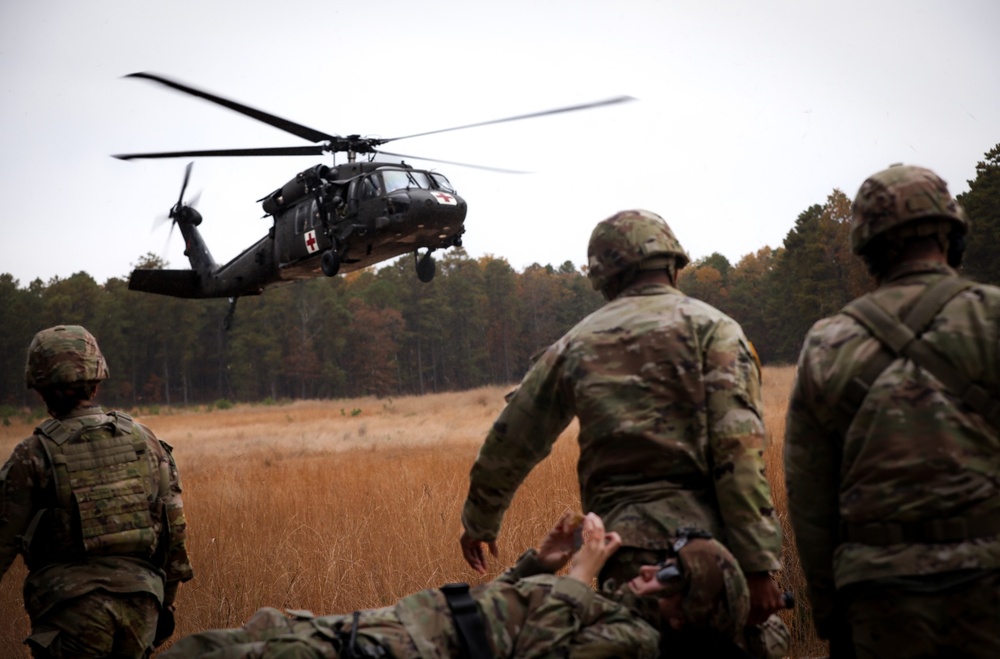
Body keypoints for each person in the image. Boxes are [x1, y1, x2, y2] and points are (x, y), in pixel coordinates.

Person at [458, 210, 784, 627]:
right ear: (672, 264)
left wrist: (479, 522)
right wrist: (757, 565)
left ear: (605, 278)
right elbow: (739, 452)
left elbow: (513, 440)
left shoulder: (575, 344)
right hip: (716, 555)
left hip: (627, 554)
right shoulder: (716, 330)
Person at [784, 164, 1000, 658]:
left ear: (867, 250)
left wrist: (831, 614)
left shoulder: (827, 341)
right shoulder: (992, 316)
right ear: (952, 236)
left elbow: (809, 496)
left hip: (878, 596)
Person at [161, 512, 755, 658]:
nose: (650, 570)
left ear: (685, 613)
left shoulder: (633, 643)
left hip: (399, 648)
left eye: (669, 576)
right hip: (391, 630)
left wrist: (578, 575)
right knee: (225, 639)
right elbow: (507, 616)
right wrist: (538, 565)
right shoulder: (614, 611)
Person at [0, 325, 194, 658]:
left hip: (70, 609)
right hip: (142, 604)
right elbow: (174, 533)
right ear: (97, 378)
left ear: (39, 385)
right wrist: (165, 604)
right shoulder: (144, 440)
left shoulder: (33, 453)